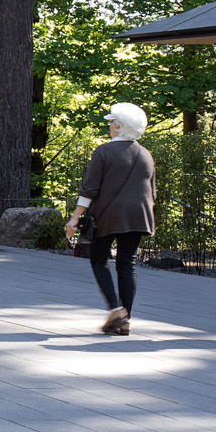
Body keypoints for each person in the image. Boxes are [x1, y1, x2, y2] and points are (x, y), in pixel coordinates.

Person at [65, 102, 157, 335]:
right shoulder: (146, 154)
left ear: (119, 126)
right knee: (127, 264)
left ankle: (115, 309)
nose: (109, 126)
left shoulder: (104, 152)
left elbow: (89, 190)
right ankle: (125, 319)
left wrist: (75, 218)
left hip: (108, 216)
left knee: (99, 260)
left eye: (111, 122)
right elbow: (152, 192)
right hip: (139, 216)